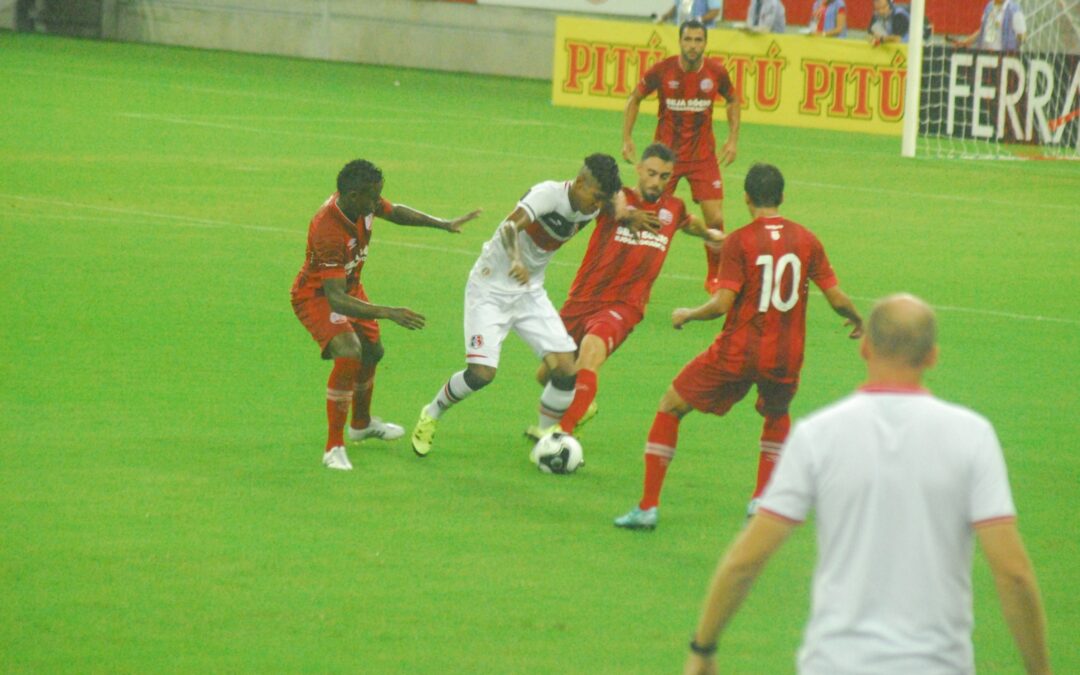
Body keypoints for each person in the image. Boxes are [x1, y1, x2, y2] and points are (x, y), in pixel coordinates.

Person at [684, 293, 1052, 675]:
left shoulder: (818, 435)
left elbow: (746, 561)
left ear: (865, 348)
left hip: (834, 663)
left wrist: (703, 648)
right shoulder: (971, 436)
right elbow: (1013, 574)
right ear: (932, 356)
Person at [613, 162, 863, 530]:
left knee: (671, 405)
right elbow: (836, 297)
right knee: (776, 415)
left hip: (739, 350)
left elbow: (721, 304)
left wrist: (688, 314)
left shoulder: (741, 241)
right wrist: (858, 319)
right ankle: (761, 499)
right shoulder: (806, 239)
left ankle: (648, 506)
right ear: (782, 197)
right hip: (785, 354)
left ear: (746, 198)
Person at [410, 154, 660, 457]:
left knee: (566, 369)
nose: (597, 207)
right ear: (580, 183)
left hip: (529, 291)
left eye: (601, 201)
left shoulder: (594, 199)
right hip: (490, 287)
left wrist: (626, 213)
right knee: (481, 374)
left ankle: (547, 437)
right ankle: (432, 412)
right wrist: (516, 259)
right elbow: (509, 227)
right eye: (595, 198)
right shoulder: (548, 195)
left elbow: (615, 197)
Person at [525, 143, 725, 441]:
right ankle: (583, 406)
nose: (656, 182)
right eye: (652, 173)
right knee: (550, 375)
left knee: (591, 352)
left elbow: (688, 222)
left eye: (665, 177)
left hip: (624, 305)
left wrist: (709, 235)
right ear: (639, 170)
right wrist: (624, 210)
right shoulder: (612, 199)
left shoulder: (674, 208)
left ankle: (561, 434)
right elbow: (605, 197)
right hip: (583, 299)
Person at [291, 159, 480, 471]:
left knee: (373, 352)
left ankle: (361, 424)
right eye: (373, 197)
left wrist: (442, 223)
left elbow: (396, 213)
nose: (378, 202)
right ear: (353, 197)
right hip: (318, 296)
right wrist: (389, 312)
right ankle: (333, 446)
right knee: (350, 351)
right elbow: (335, 300)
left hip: (349, 289)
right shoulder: (328, 229)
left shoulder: (361, 204)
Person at [622, 20, 740, 296]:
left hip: (702, 157)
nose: (693, 45)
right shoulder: (662, 71)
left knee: (714, 217)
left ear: (705, 43)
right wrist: (627, 138)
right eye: (688, 39)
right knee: (651, 215)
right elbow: (635, 97)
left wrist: (732, 138)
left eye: (698, 40)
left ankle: (714, 275)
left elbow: (733, 100)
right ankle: (637, 277)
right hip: (666, 160)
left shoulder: (716, 72)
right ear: (680, 41)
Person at [949, 0, 1026, 51]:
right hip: (985, 55)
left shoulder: (1014, 10)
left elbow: (1022, 35)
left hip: (1003, 57)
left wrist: (1013, 50)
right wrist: (965, 42)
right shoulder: (989, 6)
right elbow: (982, 31)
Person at [655, 0, 724, 29]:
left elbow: (715, 11)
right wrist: (663, 17)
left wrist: (699, 19)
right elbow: (676, 7)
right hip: (681, 30)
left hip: (703, 31)